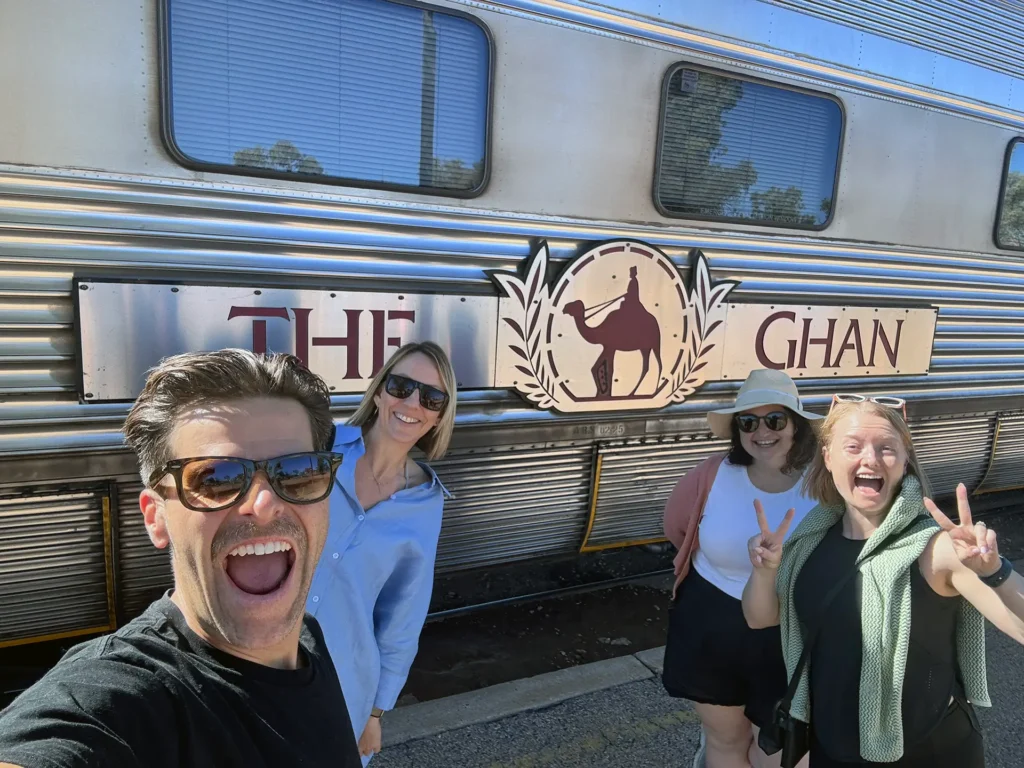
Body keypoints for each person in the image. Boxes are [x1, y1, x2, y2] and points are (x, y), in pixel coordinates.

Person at [0, 349, 362, 767]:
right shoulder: (120, 698)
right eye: (215, 478)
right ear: (156, 518)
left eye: (298, 471)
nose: (264, 503)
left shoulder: (307, 638)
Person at [743, 393, 1024, 767]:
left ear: (905, 460)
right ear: (827, 457)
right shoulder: (808, 542)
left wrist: (994, 571)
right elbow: (759, 618)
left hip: (930, 753)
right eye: (853, 446)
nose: (870, 459)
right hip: (833, 748)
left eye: (887, 448)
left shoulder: (934, 548)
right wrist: (765, 571)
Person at [662, 369, 821, 768]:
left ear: (797, 426)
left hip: (789, 633)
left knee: (781, 754)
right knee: (725, 741)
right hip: (710, 625)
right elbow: (676, 527)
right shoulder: (712, 474)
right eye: (748, 421)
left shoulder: (825, 481)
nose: (761, 431)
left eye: (775, 420)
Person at [308, 341, 456, 764]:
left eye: (431, 397)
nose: (412, 403)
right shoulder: (319, 448)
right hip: (264, 660)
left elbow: (403, 615)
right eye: (401, 385)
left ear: (440, 415)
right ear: (378, 391)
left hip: (345, 685)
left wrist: (374, 710)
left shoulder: (427, 503)